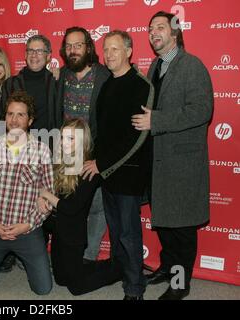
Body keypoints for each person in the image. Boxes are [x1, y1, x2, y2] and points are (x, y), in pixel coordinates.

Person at [131, 11, 213, 300]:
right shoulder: (155, 65)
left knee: (181, 229)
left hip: (182, 164)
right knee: (164, 221)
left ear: (175, 33)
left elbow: (201, 111)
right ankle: (168, 268)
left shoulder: (192, 66)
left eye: (161, 27)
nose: (154, 32)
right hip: (157, 161)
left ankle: (180, 283)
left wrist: (158, 121)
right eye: (150, 27)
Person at [82, 30, 154, 300]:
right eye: (106, 50)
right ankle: (121, 273)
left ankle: (135, 289)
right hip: (108, 174)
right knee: (117, 232)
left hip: (129, 175)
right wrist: (97, 161)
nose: (109, 55)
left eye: (115, 49)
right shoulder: (108, 84)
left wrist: (102, 164)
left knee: (128, 233)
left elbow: (135, 139)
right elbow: (102, 132)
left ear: (129, 51)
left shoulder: (140, 85)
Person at [0, 90, 53, 295]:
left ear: (30, 120)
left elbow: (48, 195)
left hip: (27, 229)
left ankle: (22, 256)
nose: (14, 120)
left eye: (21, 115)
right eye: (10, 114)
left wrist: (27, 224)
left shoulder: (42, 150)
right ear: (4, 117)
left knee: (43, 289)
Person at [40, 118, 121, 295]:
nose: (63, 142)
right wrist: (44, 198)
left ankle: (118, 269)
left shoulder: (88, 169)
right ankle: (102, 265)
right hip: (59, 232)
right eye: (62, 137)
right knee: (61, 280)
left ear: (82, 141)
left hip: (74, 236)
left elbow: (71, 208)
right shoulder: (60, 162)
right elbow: (50, 193)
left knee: (76, 288)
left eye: (70, 139)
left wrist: (46, 194)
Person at [0, 34, 58, 272]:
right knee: (15, 200)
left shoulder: (57, 81)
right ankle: (10, 251)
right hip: (17, 152)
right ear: (24, 54)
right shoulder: (11, 83)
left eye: (40, 51)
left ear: (48, 55)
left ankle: (37, 251)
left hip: (49, 150)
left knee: (43, 202)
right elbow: (5, 122)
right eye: (30, 50)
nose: (35, 55)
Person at [56, 26, 109, 263]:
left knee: (97, 206)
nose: (73, 50)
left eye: (78, 45)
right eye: (68, 46)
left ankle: (89, 255)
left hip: (94, 150)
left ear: (88, 47)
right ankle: (71, 251)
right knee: (70, 203)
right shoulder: (63, 75)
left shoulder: (104, 74)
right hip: (68, 149)